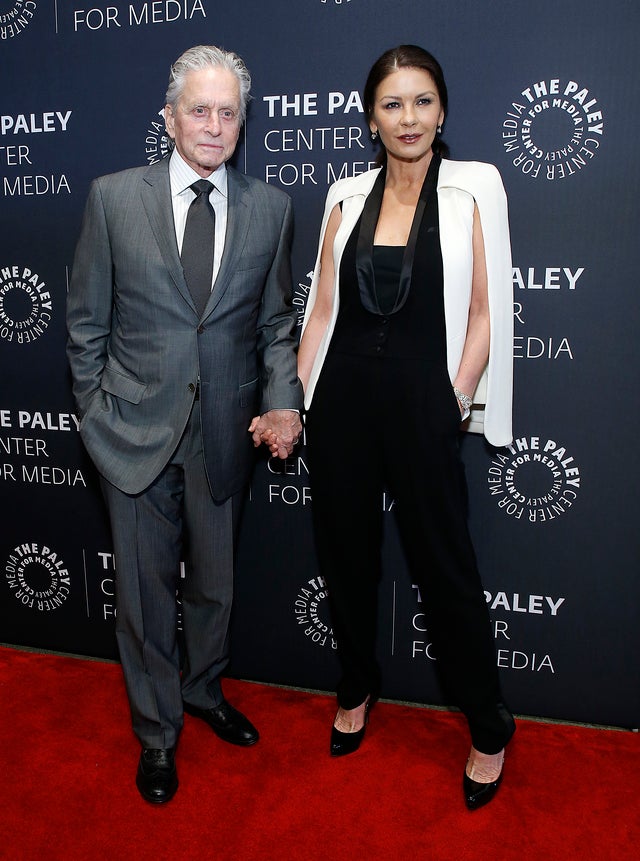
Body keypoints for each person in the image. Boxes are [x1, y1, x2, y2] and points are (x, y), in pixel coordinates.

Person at [67, 44, 303, 804]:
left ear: (242, 122)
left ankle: (203, 691)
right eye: (198, 110)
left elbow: (274, 325)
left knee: (215, 587)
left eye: (227, 112)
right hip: (130, 433)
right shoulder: (112, 199)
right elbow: (84, 323)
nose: (212, 124)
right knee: (142, 598)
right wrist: (97, 416)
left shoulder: (271, 207)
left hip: (227, 432)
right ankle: (158, 733)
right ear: (169, 118)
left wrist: (282, 399)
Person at [296, 45, 515, 810]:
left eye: (422, 101)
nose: (409, 117)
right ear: (371, 118)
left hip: (427, 401)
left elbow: (487, 310)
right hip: (342, 402)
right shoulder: (344, 193)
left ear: (443, 109)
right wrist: (300, 397)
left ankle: (488, 722)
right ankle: (356, 686)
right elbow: (321, 310)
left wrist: (453, 399)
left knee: (445, 568)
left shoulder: (474, 187)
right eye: (393, 104)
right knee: (346, 559)